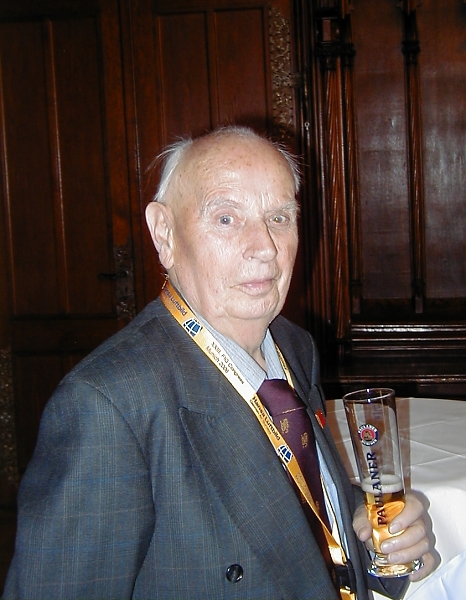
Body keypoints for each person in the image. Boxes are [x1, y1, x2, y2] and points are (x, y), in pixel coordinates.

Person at [4, 126, 434, 600]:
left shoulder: (294, 346)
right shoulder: (108, 407)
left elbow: (301, 508)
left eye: (279, 217)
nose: (264, 247)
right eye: (226, 218)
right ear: (164, 234)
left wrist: (376, 543)